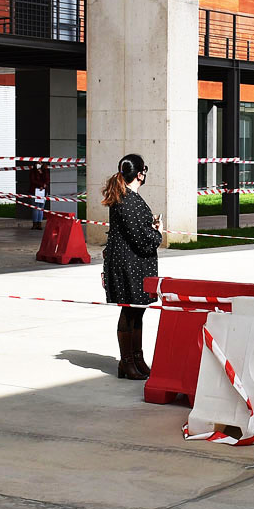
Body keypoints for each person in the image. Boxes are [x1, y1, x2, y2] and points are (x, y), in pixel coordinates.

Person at [101, 154, 163, 381]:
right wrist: (158, 232)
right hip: (129, 265)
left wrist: (150, 226)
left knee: (137, 310)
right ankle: (126, 362)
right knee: (130, 310)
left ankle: (137, 359)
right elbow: (141, 238)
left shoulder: (127, 197)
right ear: (139, 174)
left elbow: (136, 230)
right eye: (144, 169)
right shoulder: (127, 200)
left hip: (133, 264)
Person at [29, 163, 50, 230]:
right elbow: (32, 180)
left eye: (40, 163)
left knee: (41, 208)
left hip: (43, 192)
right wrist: (41, 185)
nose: (39, 164)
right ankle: (35, 223)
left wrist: (44, 171)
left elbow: (47, 180)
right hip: (34, 191)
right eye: (38, 163)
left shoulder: (45, 171)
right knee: (35, 207)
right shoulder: (33, 171)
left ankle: (39, 224)